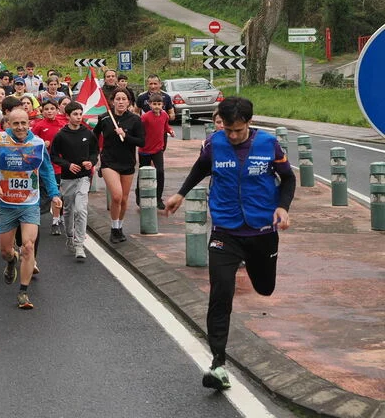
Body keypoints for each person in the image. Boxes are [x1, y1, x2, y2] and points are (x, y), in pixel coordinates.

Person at [163, 97, 295, 391]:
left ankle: (256, 268)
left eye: (238, 130)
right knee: (220, 293)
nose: (233, 136)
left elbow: (288, 179)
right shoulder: (214, 144)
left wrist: (283, 207)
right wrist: (181, 193)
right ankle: (218, 364)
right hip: (225, 230)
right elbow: (200, 168)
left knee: (265, 287)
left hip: (261, 231)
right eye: (228, 129)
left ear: (249, 122)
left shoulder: (269, 145)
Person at [0, 106, 62, 310]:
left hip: (30, 203)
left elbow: (47, 170)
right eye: (15, 123)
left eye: (23, 123)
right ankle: (11, 261)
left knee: (28, 246)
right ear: (8, 123)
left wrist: (54, 194)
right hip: (7, 204)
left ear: (29, 124)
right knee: (5, 251)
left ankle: (23, 292)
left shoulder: (37, 144)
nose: (19, 127)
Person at [94, 88, 144, 243]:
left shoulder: (135, 120)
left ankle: (119, 227)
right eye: (118, 99)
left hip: (127, 162)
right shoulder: (105, 118)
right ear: (112, 101)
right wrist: (94, 154)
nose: (121, 102)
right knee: (116, 196)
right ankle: (114, 228)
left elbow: (142, 142)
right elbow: (94, 135)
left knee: (123, 199)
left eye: (124, 99)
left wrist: (125, 135)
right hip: (109, 162)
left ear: (128, 102)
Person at [50, 102, 98, 262]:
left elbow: (94, 152)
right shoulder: (61, 135)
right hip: (67, 178)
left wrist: (91, 162)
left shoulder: (88, 133)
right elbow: (54, 156)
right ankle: (70, 235)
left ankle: (79, 245)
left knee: (81, 209)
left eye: (80, 114)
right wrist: (68, 165)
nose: (78, 117)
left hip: (84, 177)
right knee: (69, 209)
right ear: (68, 116)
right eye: (75, 114)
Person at [30, 100, 65, 235]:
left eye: (52, 108)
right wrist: (42, 145)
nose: (49, 111)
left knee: (58, 193)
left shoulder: (62, 125)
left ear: (57, 110)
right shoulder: (39, 126)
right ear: (42, 111)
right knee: (45, 194)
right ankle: (34, 219)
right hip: (43, 166)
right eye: (46, 109)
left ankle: (56, 221)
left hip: (59, 165)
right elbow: (30, 144)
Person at [137, 92, 175, 205]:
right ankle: (139, 194)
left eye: (159, 104)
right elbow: (138, 128)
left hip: (158, 149)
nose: (157, 106)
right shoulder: (145, 117)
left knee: (160, 172)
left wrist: (170, 131)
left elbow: (165, 126)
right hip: (145, 149)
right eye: (154, 104)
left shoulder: (165, 115)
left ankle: (158, 198)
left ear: (163, 105)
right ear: (150, 104)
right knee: (143, 173)